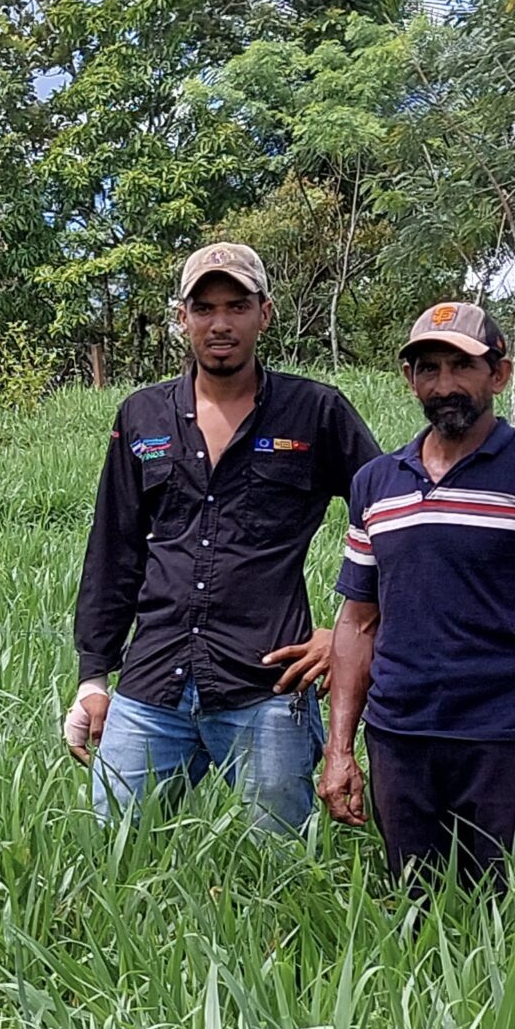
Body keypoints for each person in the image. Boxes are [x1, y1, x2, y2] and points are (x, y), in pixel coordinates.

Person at [67, 242, 380, 830]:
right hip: (152, 684)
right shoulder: (142, 416)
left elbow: (394, 524)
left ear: (264, 313)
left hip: (266, 687)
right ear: (181, 318)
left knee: (281, 871)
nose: (220, 324)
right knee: (109, 860)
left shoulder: (315, 413)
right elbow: (114, 549)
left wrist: (342, 635)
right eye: (204, 307)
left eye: (236, 306)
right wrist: (92, 677)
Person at [318, 301, 515, 883]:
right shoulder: (376, 484)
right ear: (409, 380)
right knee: (416, 913)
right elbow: (357, 623)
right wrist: (340, 748)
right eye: (428, 367)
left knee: (514, 919)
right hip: (401, 737)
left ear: (498, 374)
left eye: (463, 366)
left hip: (507, 738)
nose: (445, 384)